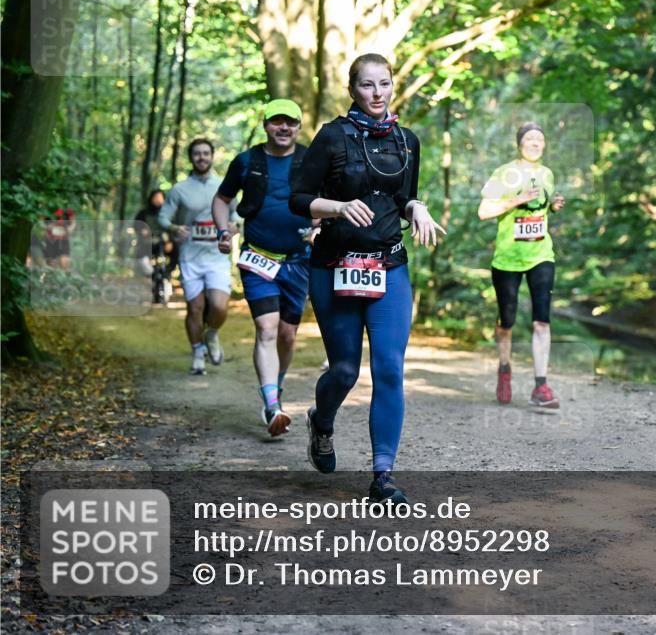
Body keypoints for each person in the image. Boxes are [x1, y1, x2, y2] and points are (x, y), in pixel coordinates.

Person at [290, 53, 445, 503]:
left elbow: (405, 197)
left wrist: (417, 208)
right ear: (352, 89)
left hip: (389, 266)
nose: (377, 94)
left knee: (390, 371)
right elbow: (298, 199)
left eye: (384, 84)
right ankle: (322, 422)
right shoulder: (332, 137)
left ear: (393, 86)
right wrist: (336, 208)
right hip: (335, 265)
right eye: (366, 85)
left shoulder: (407, 140)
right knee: (343, 371)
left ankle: (383, 476)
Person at [214, 99, 315, 437]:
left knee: (287, 335)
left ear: (299, 127)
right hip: (258, 257)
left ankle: (278, 385)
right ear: (266, 125)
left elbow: (328, 203)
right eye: (276, 122)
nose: (283, 128)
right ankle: (272, 405)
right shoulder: (246, 161)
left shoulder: (311, 160)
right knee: (267, 329)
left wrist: (320, 229)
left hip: (300, 261)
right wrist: (223, 228)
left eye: (290, 122)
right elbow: (222, 200)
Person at [477, 122, 565, 408]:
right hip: (507, 258)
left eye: (540, 138)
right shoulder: (504, 174)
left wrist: (553, 206)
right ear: (520, 144)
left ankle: (541, 386)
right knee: (507, 321)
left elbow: (542, 206)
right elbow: (484, 211)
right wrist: (515, 200)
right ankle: (504, 369)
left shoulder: (547, 174)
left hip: (541, 255)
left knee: (541, 320)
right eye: (530, 138)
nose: (536, 143)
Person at [159, 138, 237, 375]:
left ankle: (211, 333)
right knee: (195, 308)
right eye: (197, 154)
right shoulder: (179, 189)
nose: (201, 157)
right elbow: (163, 218)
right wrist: (174, 229)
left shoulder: (225, 185)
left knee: (219, 306)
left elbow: (237, 214)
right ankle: (197, 353)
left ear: (212, 156)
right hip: (190, 258)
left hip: (217, 257)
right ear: (190, 158)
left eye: (205, 153)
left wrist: (234, 226)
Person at [134, 190, 177, 303]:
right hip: (147, 244)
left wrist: (170, 241)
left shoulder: (168, 213)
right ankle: (151, 275)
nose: (158, 200)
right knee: (141, 257)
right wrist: (142, 230)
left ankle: (167, 275)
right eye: (156, 197)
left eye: (160, 197)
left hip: (164, 243)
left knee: (177, 251)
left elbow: (174, 228)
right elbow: (137, 224)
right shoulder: (144, 213)